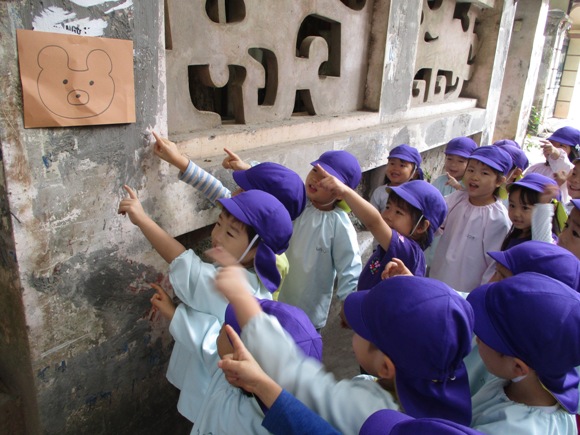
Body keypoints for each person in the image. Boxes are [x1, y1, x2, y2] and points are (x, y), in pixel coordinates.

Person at [214, 254, 474, 433]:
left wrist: (241, 298)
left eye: (361, 329)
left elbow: (297, 377)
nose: (353, 329)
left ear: (385, 367)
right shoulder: (447, 397)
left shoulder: (366, 409)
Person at [117, 188, 293, 422]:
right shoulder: (256, 280)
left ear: (257, 250)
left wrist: (142, 219)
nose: (217, 235)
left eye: (230, 233)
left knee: (201, 421)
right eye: (218, 223)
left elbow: (183, 262)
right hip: (216, 381)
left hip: (210, 384)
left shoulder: (231, 286)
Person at [149, 277, 323, 435]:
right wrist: (173, 313)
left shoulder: (255, 427)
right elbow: (206, 340)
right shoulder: (232, 371)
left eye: (230, 326)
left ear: (245, 359)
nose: (223, 325)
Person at [467, 273, 580, 434]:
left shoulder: (516, 430)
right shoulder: (523, 381)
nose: (477, 339)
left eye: (485, 336)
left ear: (518, 367)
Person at [276, 150, 362, 330]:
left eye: (326, 178)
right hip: (277, 298)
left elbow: (350, 265)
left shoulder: (339, 224)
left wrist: (348, 302)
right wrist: (247, 168)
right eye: (315, 170)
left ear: (341, 193)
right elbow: (275, 181)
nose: (316, 179)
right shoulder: (298, 203)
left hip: (308, 311)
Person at [317, 167, 446, 284]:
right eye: (388, 207)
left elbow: (374, 223)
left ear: (421, 227)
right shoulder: (392, 246)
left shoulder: (409, 251)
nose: (387, 215)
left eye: (398, 212)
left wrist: (346, 192)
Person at [152, 131, 307, 221]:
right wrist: (177, 159)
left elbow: (218, 192)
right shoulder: (255, 226)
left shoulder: (249, 243)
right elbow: (214, 189)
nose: (235, 192)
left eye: (243, 190)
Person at [430, 146, 512, 291]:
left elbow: (493, 266)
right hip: (438, 278)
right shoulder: (456, 199)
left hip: (467, 291)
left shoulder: (498, 219)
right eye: (471, 170)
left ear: (499, 181)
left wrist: (481, 295)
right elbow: (434, 222)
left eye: (484, 173)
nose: (474, 177)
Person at [500, 173, 560, 250]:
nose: (516, 213)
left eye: (525, 208)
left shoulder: (547, 241)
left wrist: (543, 206)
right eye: (512, 205)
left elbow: (542, 244)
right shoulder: (517, 234)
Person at [525, 126, 579, 204]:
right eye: (551, 143)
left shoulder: (570, 170)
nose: (552, 148)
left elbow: (562, 162)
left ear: (573, 151)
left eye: (561, 145)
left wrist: (554, 151)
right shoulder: (536, 167)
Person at [370, 144, 423, 213]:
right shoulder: (379, 192)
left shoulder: (416, 195)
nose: (395, 168)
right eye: (392, 163)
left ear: (414, 173)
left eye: (402, 165)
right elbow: (371, 215)